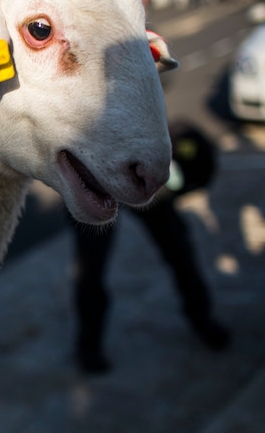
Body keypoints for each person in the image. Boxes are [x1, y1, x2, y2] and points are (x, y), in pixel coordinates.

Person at [70, 122, 232, 374]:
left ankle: (202, 318)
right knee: (91, 268)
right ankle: (88, 345)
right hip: (94, 179)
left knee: (179, 248)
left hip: (139, 172)